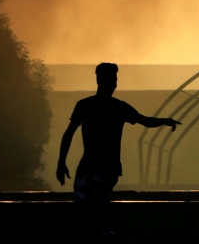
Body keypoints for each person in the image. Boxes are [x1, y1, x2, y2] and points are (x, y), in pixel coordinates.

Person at [55, 62, 181, 240]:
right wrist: (165, 121)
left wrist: (61, 162)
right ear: (110, 82)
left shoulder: (85, 105)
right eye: (114, 79)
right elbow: (145, 121)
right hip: (108, 168)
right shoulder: (119, 107)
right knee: (98, 210)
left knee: (85, 210)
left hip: (87, 168)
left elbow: (68, 134)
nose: (115, 83)